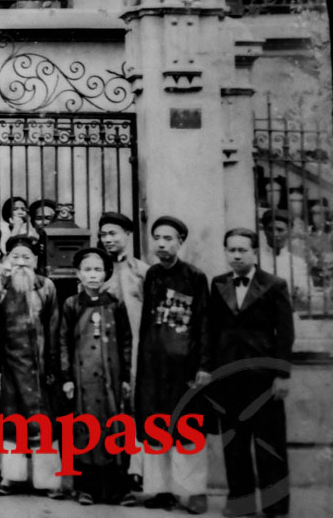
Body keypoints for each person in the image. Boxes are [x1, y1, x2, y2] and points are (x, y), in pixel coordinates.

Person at [200, 228, 294, 518]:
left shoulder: (274, 284)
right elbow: (209, 330)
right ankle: (240, 503)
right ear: (225, 252)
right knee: (234, 443)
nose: (237, 255)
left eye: (243, 250)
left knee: (269, 442)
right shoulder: (218, 284)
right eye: (231, 250)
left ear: (255, 252)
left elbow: (285, 333)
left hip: (263, 377)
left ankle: (275, 506)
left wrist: (282, 375)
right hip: (227, 378)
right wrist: (206, 367)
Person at [136, 215, 210, 514]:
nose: (162, 243)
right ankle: (160, 489)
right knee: (155, 427)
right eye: (157, 238)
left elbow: (204, 323)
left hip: (184, 368)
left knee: (188, 428)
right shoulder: (152, 274)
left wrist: (203, 365)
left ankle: (193, 492)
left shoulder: (194, 276)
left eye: (169, 238)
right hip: (154, 366)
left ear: (181, 242)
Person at [0, 235, 63, 498]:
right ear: (7, 260)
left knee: (43, 422)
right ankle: (11, 477)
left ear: (36, 261)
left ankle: (48, 480)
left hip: (41, 368)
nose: (20, 263)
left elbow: (54, 328)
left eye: (26, 258)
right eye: (15, 257)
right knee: (11, 421)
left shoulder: (47, 287)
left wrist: (53, 366)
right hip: (10, 368)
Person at [59, 247, 133, 506]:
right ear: (78, 274)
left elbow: (126, 340)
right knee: (84, 428)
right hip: (83, 379)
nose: (93, 275)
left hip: (110, 378)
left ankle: (116, 490)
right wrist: (67, 376)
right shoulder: (71, 304)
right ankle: (86, 488)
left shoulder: (115, 303)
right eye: (87, 270)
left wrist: (125, 376)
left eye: (98, 270)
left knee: (113, 429)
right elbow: (63, 343)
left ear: (105, 273)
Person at [95, 211, 149, 495]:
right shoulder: (97, 270)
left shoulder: (143, 271)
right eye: (103, 235)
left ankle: (136, 471)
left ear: (128, 234)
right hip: (105, 351)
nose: (107, 239)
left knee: (133, 408)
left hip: (138, 349)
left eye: (113, 233)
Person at [258, 209, 310, 310]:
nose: (275, 234)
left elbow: (305, 295)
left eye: (280, 230)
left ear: (290, 230)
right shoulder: (255, 259)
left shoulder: (297, 262)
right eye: (270, 229)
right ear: (264, 231)